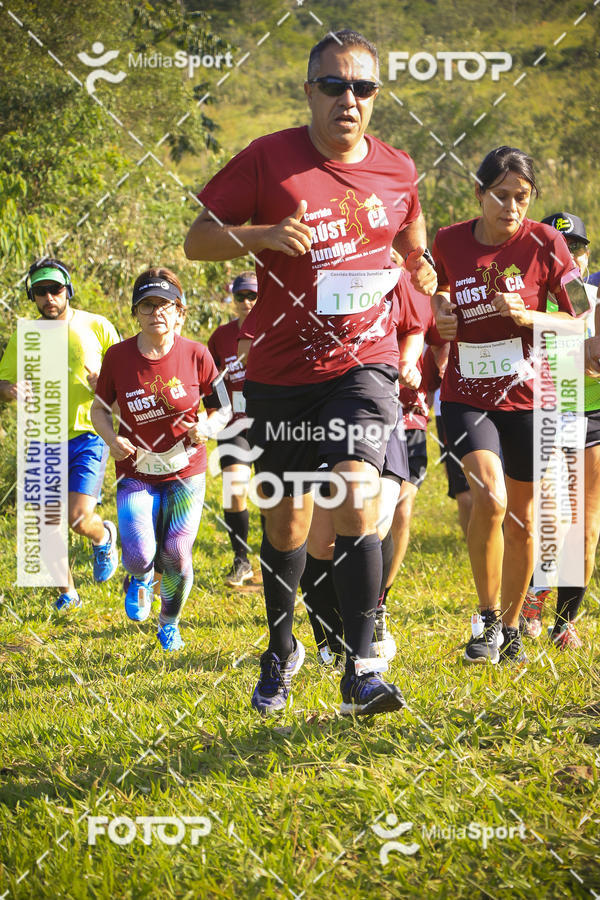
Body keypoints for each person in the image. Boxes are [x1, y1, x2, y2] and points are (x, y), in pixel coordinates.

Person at [185, 29, 437, 715]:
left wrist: (423, 276)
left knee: (358, 492)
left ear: (375, 98)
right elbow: (198, 237)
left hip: (362, 365)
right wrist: (262, 236)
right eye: (334, 85)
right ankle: (280, 648)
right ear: (310, 91)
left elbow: (413, 250)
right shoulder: (269, 158)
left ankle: (361, 670)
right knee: (287, 524)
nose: (348, 99)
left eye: (362, 88)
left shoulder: (399, 170)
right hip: (277, 372)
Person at [432, 146, 580, 666]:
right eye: (501, 195)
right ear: (479, 193)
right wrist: (440, 312)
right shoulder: (448, 240)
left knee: (521, 520)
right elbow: (439, 289)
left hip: (529, 398)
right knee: (489, 499)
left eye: (523, 197)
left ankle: (513, 628)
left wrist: (531, 318)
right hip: (467, 394)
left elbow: (581, 320)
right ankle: (487, 617)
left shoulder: (547, 242)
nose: (512, 208)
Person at [90, 267, 231, 650]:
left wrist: (208, 427)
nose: (157, 313)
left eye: (165, 305)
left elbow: (224, 407)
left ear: (180, 312)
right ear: (136, 313)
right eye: (147, 305)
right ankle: (137, 578)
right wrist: (111, 437)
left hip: (186, 470)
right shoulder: (117, 357)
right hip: (135, 471)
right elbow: (99, 410)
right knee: (139, 554)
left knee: (177, 553)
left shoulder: (197, 354)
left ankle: (169, 622)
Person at [0, 257, 120, 610]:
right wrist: (11, 390)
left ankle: (104, 536)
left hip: (88, 432)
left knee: (78, 519)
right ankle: (68, 594)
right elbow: (3, 380)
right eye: (40, 292)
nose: (49, 297)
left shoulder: (96, 325)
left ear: (67, 289)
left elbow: (128, 373)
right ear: (32, 296)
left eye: (55, 289)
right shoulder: (24, 334)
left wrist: (107, 384)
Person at [520, 211, 600, 649]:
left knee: (587, 527)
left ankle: (563, 622)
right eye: (563, 248)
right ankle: (535, 589)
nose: (574, 256)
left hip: (591, 412)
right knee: (552, 519)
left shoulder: (590, 295)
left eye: (580, 248)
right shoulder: (531, 296)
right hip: (544, 412)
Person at [208, 271, 258, 587]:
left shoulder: (277, 328)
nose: (247, 302)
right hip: (234, 424)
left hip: (272, 422)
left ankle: (278, 557)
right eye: (240, 296)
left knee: (274, 494)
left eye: (253, 296)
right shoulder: (220, 337)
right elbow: (211, 382)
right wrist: (217, 414)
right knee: (234, 487)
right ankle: (241, 559)